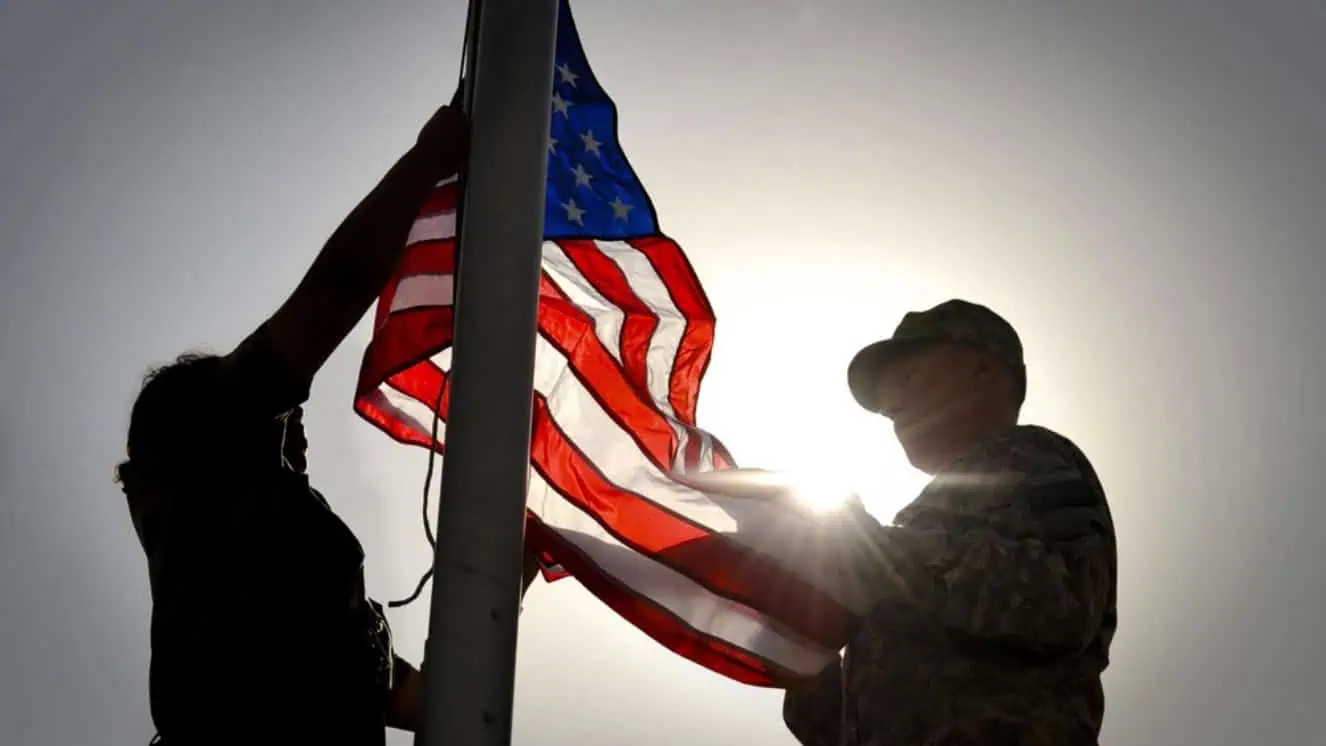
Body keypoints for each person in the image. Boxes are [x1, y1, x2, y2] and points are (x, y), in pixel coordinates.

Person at [116, 104, 539, 745]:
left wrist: (504, 579)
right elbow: (333, 293)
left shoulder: (322, 598)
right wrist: (427, 161)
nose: (298, 426)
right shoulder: (192, 435)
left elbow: (435, 705)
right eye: (284, 415)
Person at [781, 299, 1118, 746]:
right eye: (885, 399)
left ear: (982, 370)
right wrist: (801, 645)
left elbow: (1061, 598)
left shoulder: (1031, 456)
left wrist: (869, 551)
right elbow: (844, 729)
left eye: (908, 378)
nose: (891, 408)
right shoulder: (919, 521)